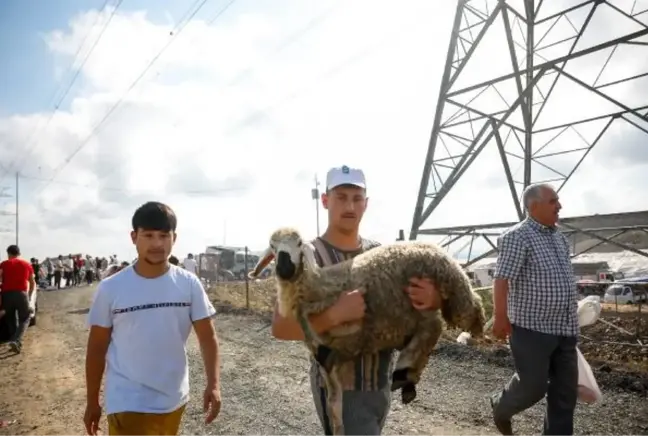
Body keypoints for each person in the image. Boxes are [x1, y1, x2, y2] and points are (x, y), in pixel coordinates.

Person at [271, 165, 441, 435]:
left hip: (380, 383)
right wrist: (334, 315)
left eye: (356, 198)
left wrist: (429, 299)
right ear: (325, 200)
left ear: (366, 204)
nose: (349, 205)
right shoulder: (308, 257)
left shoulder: (382, 254)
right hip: (340, 388)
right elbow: (281, 327)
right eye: (341, 197)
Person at [84, 201, 222, 436]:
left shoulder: (188, 284)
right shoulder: (111, 288)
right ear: (134, 237)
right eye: (148, 235)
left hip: (174, 399)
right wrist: (92, 401)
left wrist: (214, 383)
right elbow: (97, 347)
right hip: (127, 401)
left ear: (174, 238)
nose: (157, 243)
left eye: (163, 235)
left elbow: (208, 337)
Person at [490, 183, 579, 436]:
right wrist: (500, 316)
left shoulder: (560, 238)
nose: (559, 206)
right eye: (553, 201)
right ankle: (501, 406)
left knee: (564, 395)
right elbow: (501, 278)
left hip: (565, 328)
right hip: (532, 329)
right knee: (533, 387)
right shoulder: (518, 236)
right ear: (534, 206)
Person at [0, 245, 36, 354]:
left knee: (11, 319)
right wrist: (29, 295)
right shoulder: (27, 264)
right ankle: (15, 340)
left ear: (9, 253)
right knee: (25, 318)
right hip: (21, 294)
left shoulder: (4, 264)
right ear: (19, 253)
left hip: (6, 295)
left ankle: (15, 342)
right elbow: (32, 282)